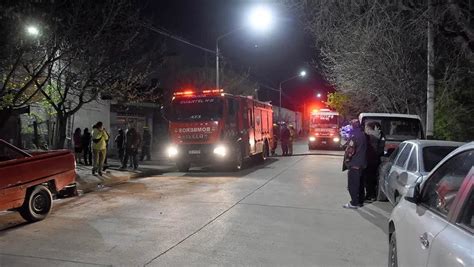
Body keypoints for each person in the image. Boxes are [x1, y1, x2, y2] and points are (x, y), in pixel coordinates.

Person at [342, 119, 367, 209]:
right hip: (362, 163)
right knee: (360, 184)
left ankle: (354, 203)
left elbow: (351, 150)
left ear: (352, 125)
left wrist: (348, 160)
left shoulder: (354, 136)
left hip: (354, 164)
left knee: (352, 185)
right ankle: (360, 201)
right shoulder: (363, 135)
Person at [363, 121, 386, 201]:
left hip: (372, 161)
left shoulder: (377, 137)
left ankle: (371, 195)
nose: (366, 130)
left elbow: (378, 150)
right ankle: (369, 194)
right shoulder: (372, 136)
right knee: (368, 179)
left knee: (370, 179)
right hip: (370, 161)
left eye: (367, 128)